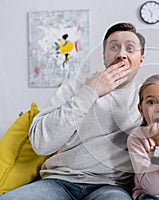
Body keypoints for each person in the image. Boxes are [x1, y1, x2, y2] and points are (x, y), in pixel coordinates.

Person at [0, 22, 145, 200]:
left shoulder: (149, 98)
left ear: (141, 59)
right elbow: (40, 144)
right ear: (104, 56)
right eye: (114, 47)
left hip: (110, 187)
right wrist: (90, 93)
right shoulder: (75, 87)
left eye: (130, 48)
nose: (121, 54)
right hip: (58, 182)